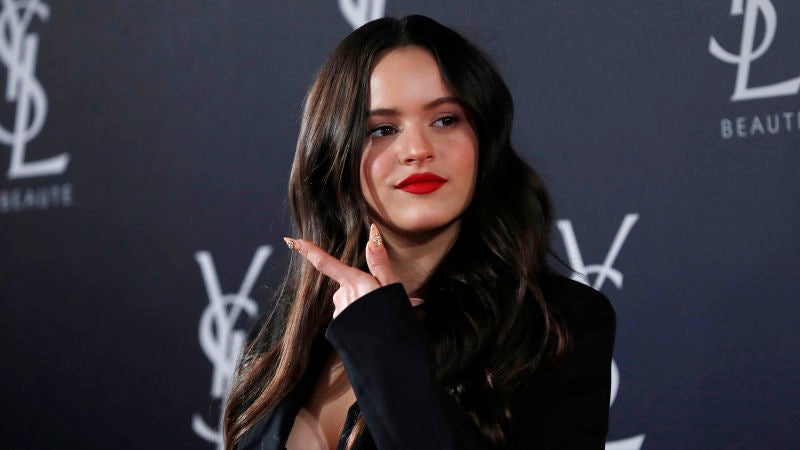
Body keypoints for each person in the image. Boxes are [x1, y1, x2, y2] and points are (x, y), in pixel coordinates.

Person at [223, 14, 615, 450]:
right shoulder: (283, 332)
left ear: (485, 137)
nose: (417, 150)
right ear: (334, 152)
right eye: (382, 129)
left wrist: (381, 340)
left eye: (445, 120)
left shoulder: (557, 326)